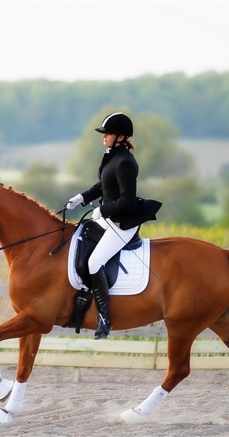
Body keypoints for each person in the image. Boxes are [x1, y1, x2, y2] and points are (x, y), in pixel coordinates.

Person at [66, 112, 161, 339]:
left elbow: (127, 200)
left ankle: (104, 318)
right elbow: (104, 184)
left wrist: (103, 210)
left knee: (94, 261)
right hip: (107, 219)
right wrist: (83, 197)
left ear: (120, 137)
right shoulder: (113, 156)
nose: (104, 137)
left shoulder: (126, 162)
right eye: (104, 133)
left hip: (121, 224)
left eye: (107, 133)